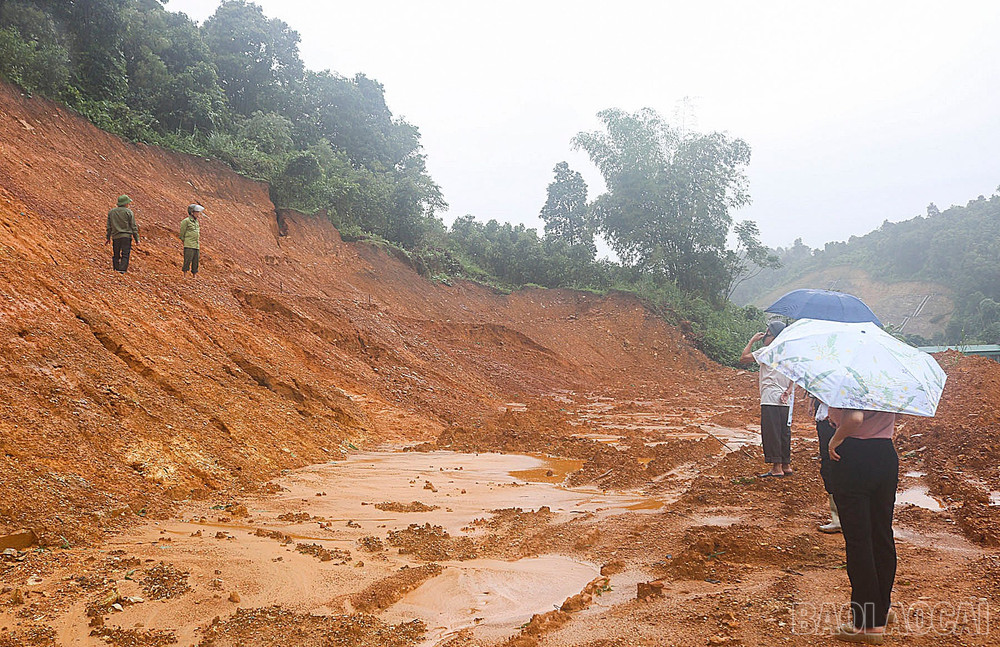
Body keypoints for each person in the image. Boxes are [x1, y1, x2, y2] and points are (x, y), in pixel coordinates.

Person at [827, 407, 898, 644]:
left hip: (855, 455)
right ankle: (882, 609)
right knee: (882, 535)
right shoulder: (888, 384)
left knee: (859, 541)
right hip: (885, 453)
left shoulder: (851, 382)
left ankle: (868, 624)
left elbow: (855, 418)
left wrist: (836, 439)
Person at [740, 320, 795, 477]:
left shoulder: (766, 351)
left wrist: (752, 340)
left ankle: (776, 467)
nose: (764, 337)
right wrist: (789, 390)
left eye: (767, 334)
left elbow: (743, 358)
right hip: (786, 398)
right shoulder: (789, 354)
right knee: (784, 431)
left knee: (772, 432)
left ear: (774, 336)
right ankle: (786, 465)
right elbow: (795, 375)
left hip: (770, 397)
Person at [812, 396, 842, 533]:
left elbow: (826, 397)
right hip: (829, 421)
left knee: (831, 467)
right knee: (830, 467)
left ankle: (839, 519)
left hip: (832, 423)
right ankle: (838, 517)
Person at [106, 195, 139, 273]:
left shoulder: (111, 212)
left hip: (115, 237)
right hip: (126, 237)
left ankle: (116, 269)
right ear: (126, 203)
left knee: (116, 253)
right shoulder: (129, 212)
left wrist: (108, 238)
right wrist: (137, 239)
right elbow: (133, 226)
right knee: (125, 254)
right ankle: (122, 270)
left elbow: (109, 227)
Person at [179, 203, 203, 277]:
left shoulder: (196, 222)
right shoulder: (186, 221)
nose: (198, 214)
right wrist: (185, 241)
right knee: (187, 260)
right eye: (197, 212)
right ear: (192, 212)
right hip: (189, 244)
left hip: (196, 245)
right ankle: (185, 275)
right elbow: (182, 233)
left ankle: (194, 276)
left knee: (196, 261)